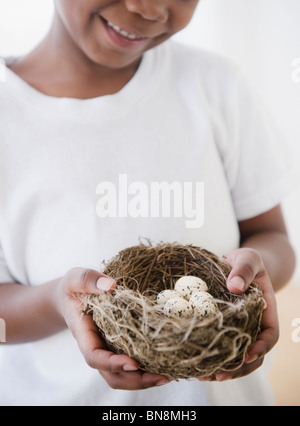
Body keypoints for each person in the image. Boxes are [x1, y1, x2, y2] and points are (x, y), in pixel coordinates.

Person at [0, 0, 296, 406]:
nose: (152, 8)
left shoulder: (215, 85)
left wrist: (257, 278)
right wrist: (57, 301)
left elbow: (272, 237)